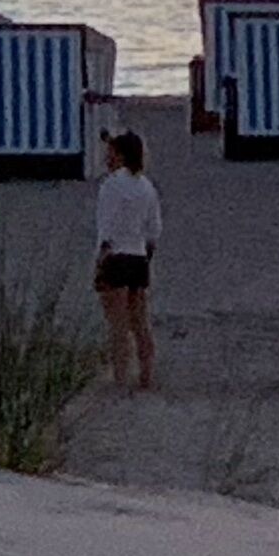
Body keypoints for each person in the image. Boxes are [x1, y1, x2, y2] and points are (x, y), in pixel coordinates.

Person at [92, 127, 161, 392]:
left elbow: (105, 228)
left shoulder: (111, 185)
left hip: (116, 256)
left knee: (117, 325)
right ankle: (146, 375)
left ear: (119, 155)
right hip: (139, 256)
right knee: (140, 321)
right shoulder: (147, 186)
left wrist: (99, 261)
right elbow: (154, 230)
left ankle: (121, 377)